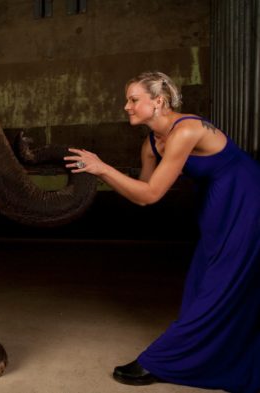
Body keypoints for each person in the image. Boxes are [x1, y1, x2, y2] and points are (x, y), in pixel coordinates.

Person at [64, 71, 260, 393]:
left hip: (248, 198)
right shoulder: (150, 144)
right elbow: (144, 196)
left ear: (158, 101)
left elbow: (152, 193)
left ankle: (162, 361)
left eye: (133, 99)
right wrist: (101, 173)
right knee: (202, 283)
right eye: (127, 99)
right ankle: (209, 356)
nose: (126, 106)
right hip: (217, 202)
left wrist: (103, 167)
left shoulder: (186, 131)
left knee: (220, 284)